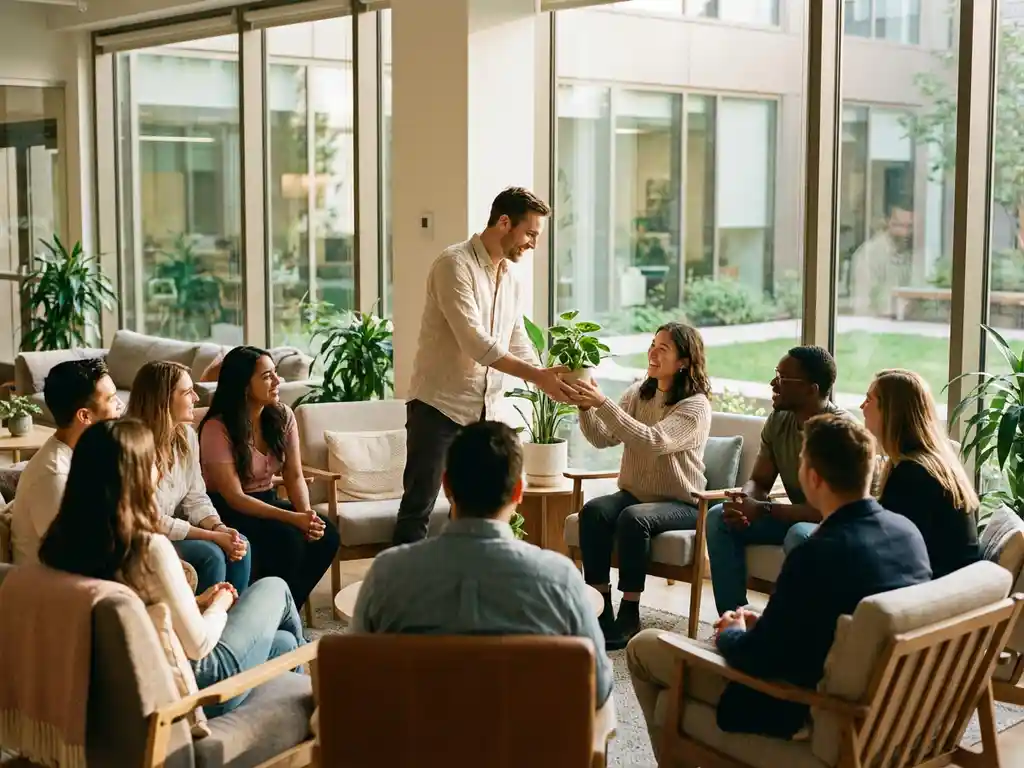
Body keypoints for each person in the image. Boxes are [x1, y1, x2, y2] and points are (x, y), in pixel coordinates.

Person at [627, 415, 931, 750]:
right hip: (887, 709)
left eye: (801, 461)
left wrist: (731, 633)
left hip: (802, 708)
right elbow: (826, 616)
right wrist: (766, 621)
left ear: (813, 478)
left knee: (644, 647)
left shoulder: (816, 553)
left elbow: (759, 659)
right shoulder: (908, 534)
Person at [38, 419, 305, 717]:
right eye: (153, 460)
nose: (160, 468)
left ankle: (297, 691)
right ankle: (319, 691)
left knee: (284, 642)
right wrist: (220, 603)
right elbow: (199, 646)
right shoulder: (146, 550)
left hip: (124, 685)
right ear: (136, 476)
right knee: (276, 588)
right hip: (194, 686)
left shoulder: (60, 542)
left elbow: (132, 613)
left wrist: (194, 602)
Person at [351, 420, 613, 710]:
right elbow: (598, 689)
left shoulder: (386, 574)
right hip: (524, 754)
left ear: (446, 485)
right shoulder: (561, 580)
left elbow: (355, 681)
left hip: (414, 753)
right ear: (518, 492)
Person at [393, 186, 575, 546]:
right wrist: (537, 377)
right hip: (438, 406)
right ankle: (399, 591)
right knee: (420, 504)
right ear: (504, 222)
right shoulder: (453, 265)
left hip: (486, 411)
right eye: (530, 234)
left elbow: (516, 337)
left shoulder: (510, 277)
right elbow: (476, 342)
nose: (533, 244)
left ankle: (468, 581)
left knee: (482, 508)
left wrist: (550, 376)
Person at [571, 322, 712, 650]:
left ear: (684, 362)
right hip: (635, 494)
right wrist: (585, 406)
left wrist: (602, 403)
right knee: (593, 512)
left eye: (664, 348)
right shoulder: (638, 393)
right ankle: (601, 608)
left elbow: (653, 441)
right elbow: (601, 438)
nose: (653, 351)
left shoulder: (695, 406)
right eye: (652, 344)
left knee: (634, 518)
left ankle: (630, 613)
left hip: (683, 503)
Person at [705, 346, 844, 616]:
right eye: (775, 375)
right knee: (718, 516)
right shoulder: (779, 420)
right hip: (793, 515)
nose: (773, 383)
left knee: (800, 535)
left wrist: (763, 508)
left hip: (831, 525)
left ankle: (790, 627)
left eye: (782, 378)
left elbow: (829, 510)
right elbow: (759, 479)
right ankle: (734, 618)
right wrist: (745, 502)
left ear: (811, 390)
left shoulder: (838, 432)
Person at [199, 346, 339, 609]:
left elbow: (294, 474)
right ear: (243, 385)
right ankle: (272, 611)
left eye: (275, 374)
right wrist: (293, 519)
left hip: (267, 501)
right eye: (267, 376)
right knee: (288, 541)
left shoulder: (282, 416)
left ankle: (286, 609)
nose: (277, 382)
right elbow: (234, 497)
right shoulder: (216, 428)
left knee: (327, 535)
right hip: (228, 510)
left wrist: (307, 516)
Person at [126, 361, 251, 594]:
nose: (195, 397)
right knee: (211, 554)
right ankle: (200, 625)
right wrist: (211, 536)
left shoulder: (187, 435)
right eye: (187, 392)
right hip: (141, 539)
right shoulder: (133, 445)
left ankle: (230, 619)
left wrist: (219, 527)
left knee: (239, 542)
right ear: (163, 400)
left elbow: (196, 497)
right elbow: (152, 520)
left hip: (172, 530)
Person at [861, 369, 980, 577]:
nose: (862, 407)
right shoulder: (923, 463)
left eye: (869, 400)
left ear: (891, 411)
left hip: (931, 591)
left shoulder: (913, 475)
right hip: (944, 584)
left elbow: (893, 551)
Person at [10, 358, 122, 565]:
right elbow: (78, 556)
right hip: (51, 588)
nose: (120, 406)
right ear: (85, 416)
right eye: (112, 399)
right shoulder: (54, 475)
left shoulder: (86, 454)